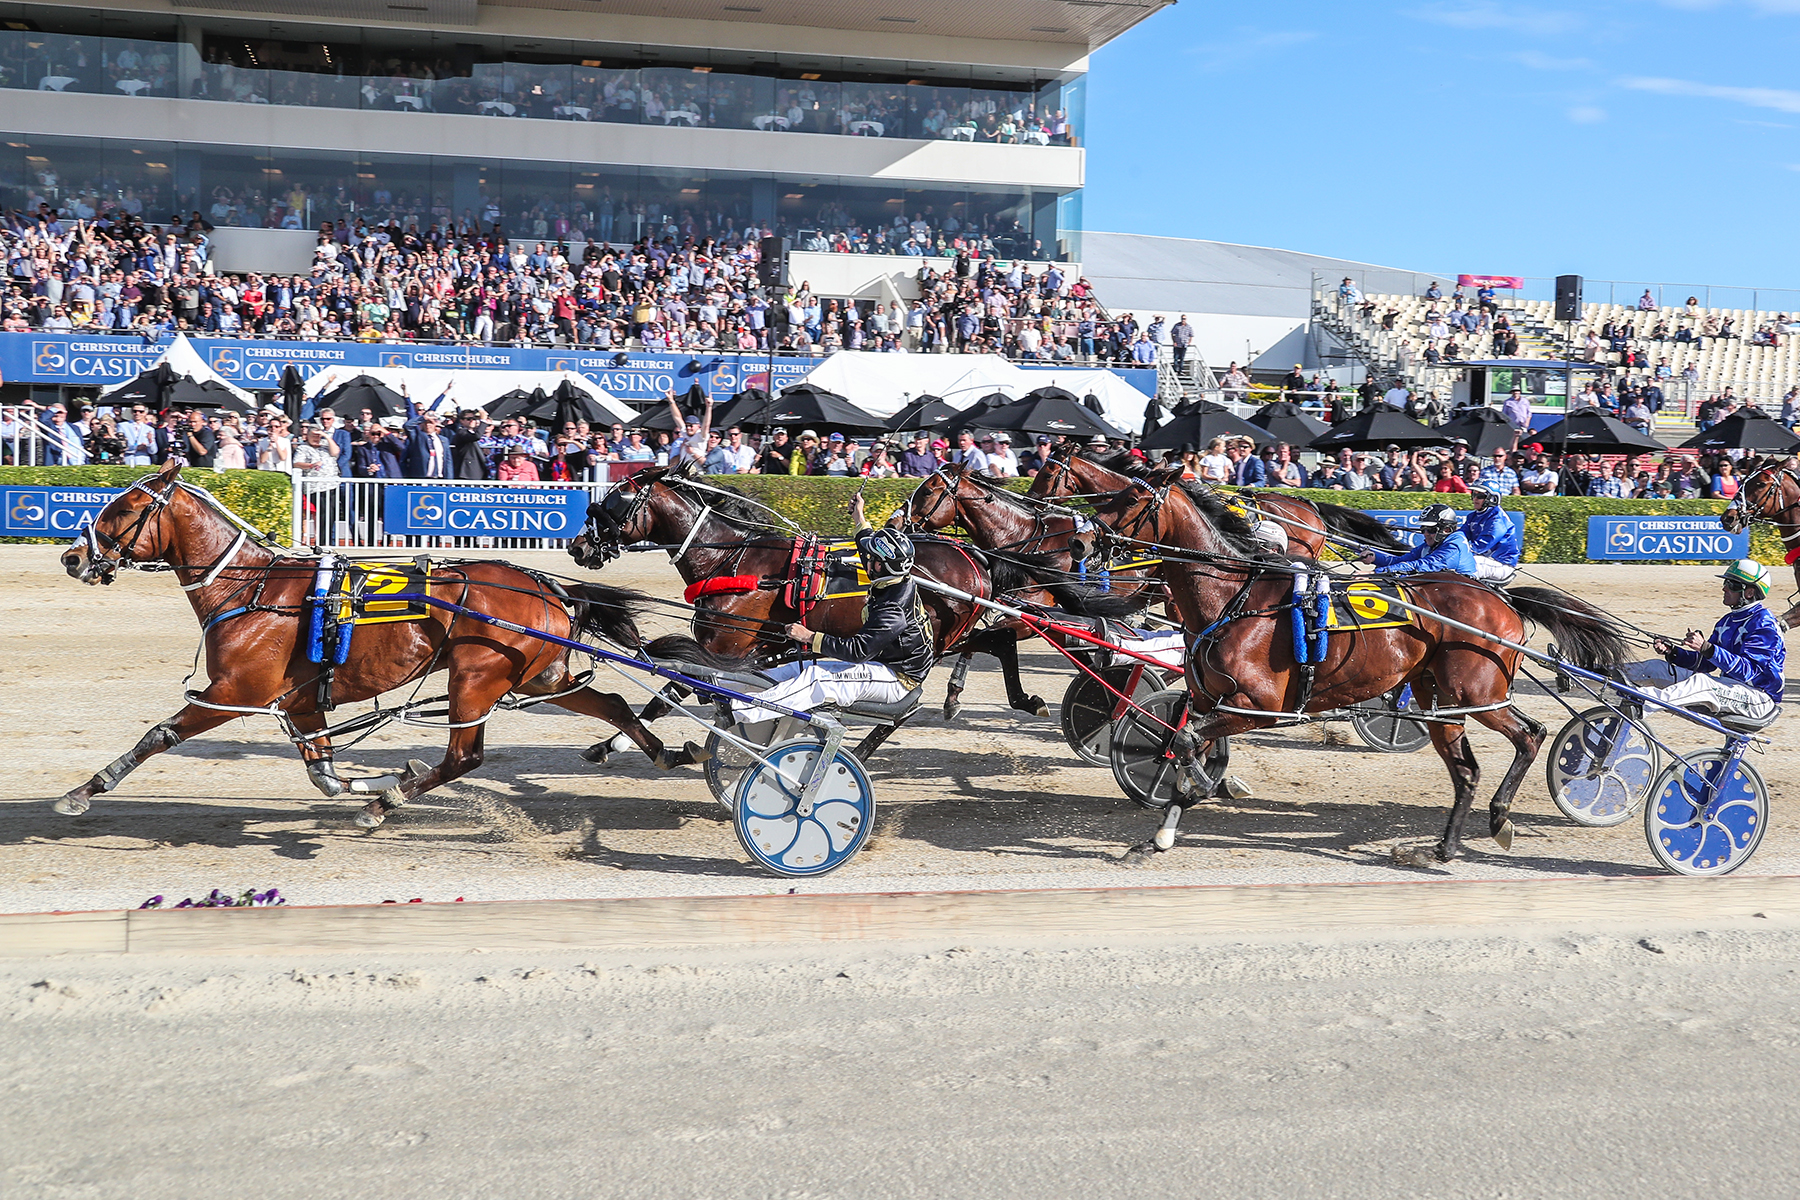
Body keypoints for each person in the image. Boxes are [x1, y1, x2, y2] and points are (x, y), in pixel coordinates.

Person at [731, 493, 934, 726]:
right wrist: (859, 515)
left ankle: (740, 712)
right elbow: (866, 543)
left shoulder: (893, 608)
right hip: (880, 664)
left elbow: (857, 651)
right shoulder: (893, 576)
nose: (865, 559)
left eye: (872, 559)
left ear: (879, 566)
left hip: (896, 678)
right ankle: (729, 688)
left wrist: (809, 636)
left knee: (816, 680)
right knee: (801, 668)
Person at [1644, 560, 1785, 728]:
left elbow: (1748, 672)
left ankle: (1641, 703)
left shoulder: (1764, 625)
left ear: (1749, 592)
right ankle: (1609, 680)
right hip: (1731, 690)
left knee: (1701, 683)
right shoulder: (1727, 621)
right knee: (1656, 668)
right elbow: (1706, 664)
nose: (1724, 588)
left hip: (1759, 699)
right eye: (1725, 583)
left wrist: (1707, 648)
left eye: (1731, 584)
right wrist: (1673, 652)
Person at [1360, 503, 1477, 577]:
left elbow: (1422, 565)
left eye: (1430, 529)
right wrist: (1375, 557)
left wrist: (1377, 573)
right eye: (1423, 529)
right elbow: (1401, 560)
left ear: (1446, 529)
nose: (1425, 534)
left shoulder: (1453, 546)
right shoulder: (1432, 544)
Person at [1462, 485, 1520, 584]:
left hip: (1501, 564)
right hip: (1485, 560)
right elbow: (1460, 535)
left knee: (1463, 564)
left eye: (1480, 496)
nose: (1475, 499)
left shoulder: (1498, 519)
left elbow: (1482, 545)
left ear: (1492, 499)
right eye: (1474, 494)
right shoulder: (1472, 516)